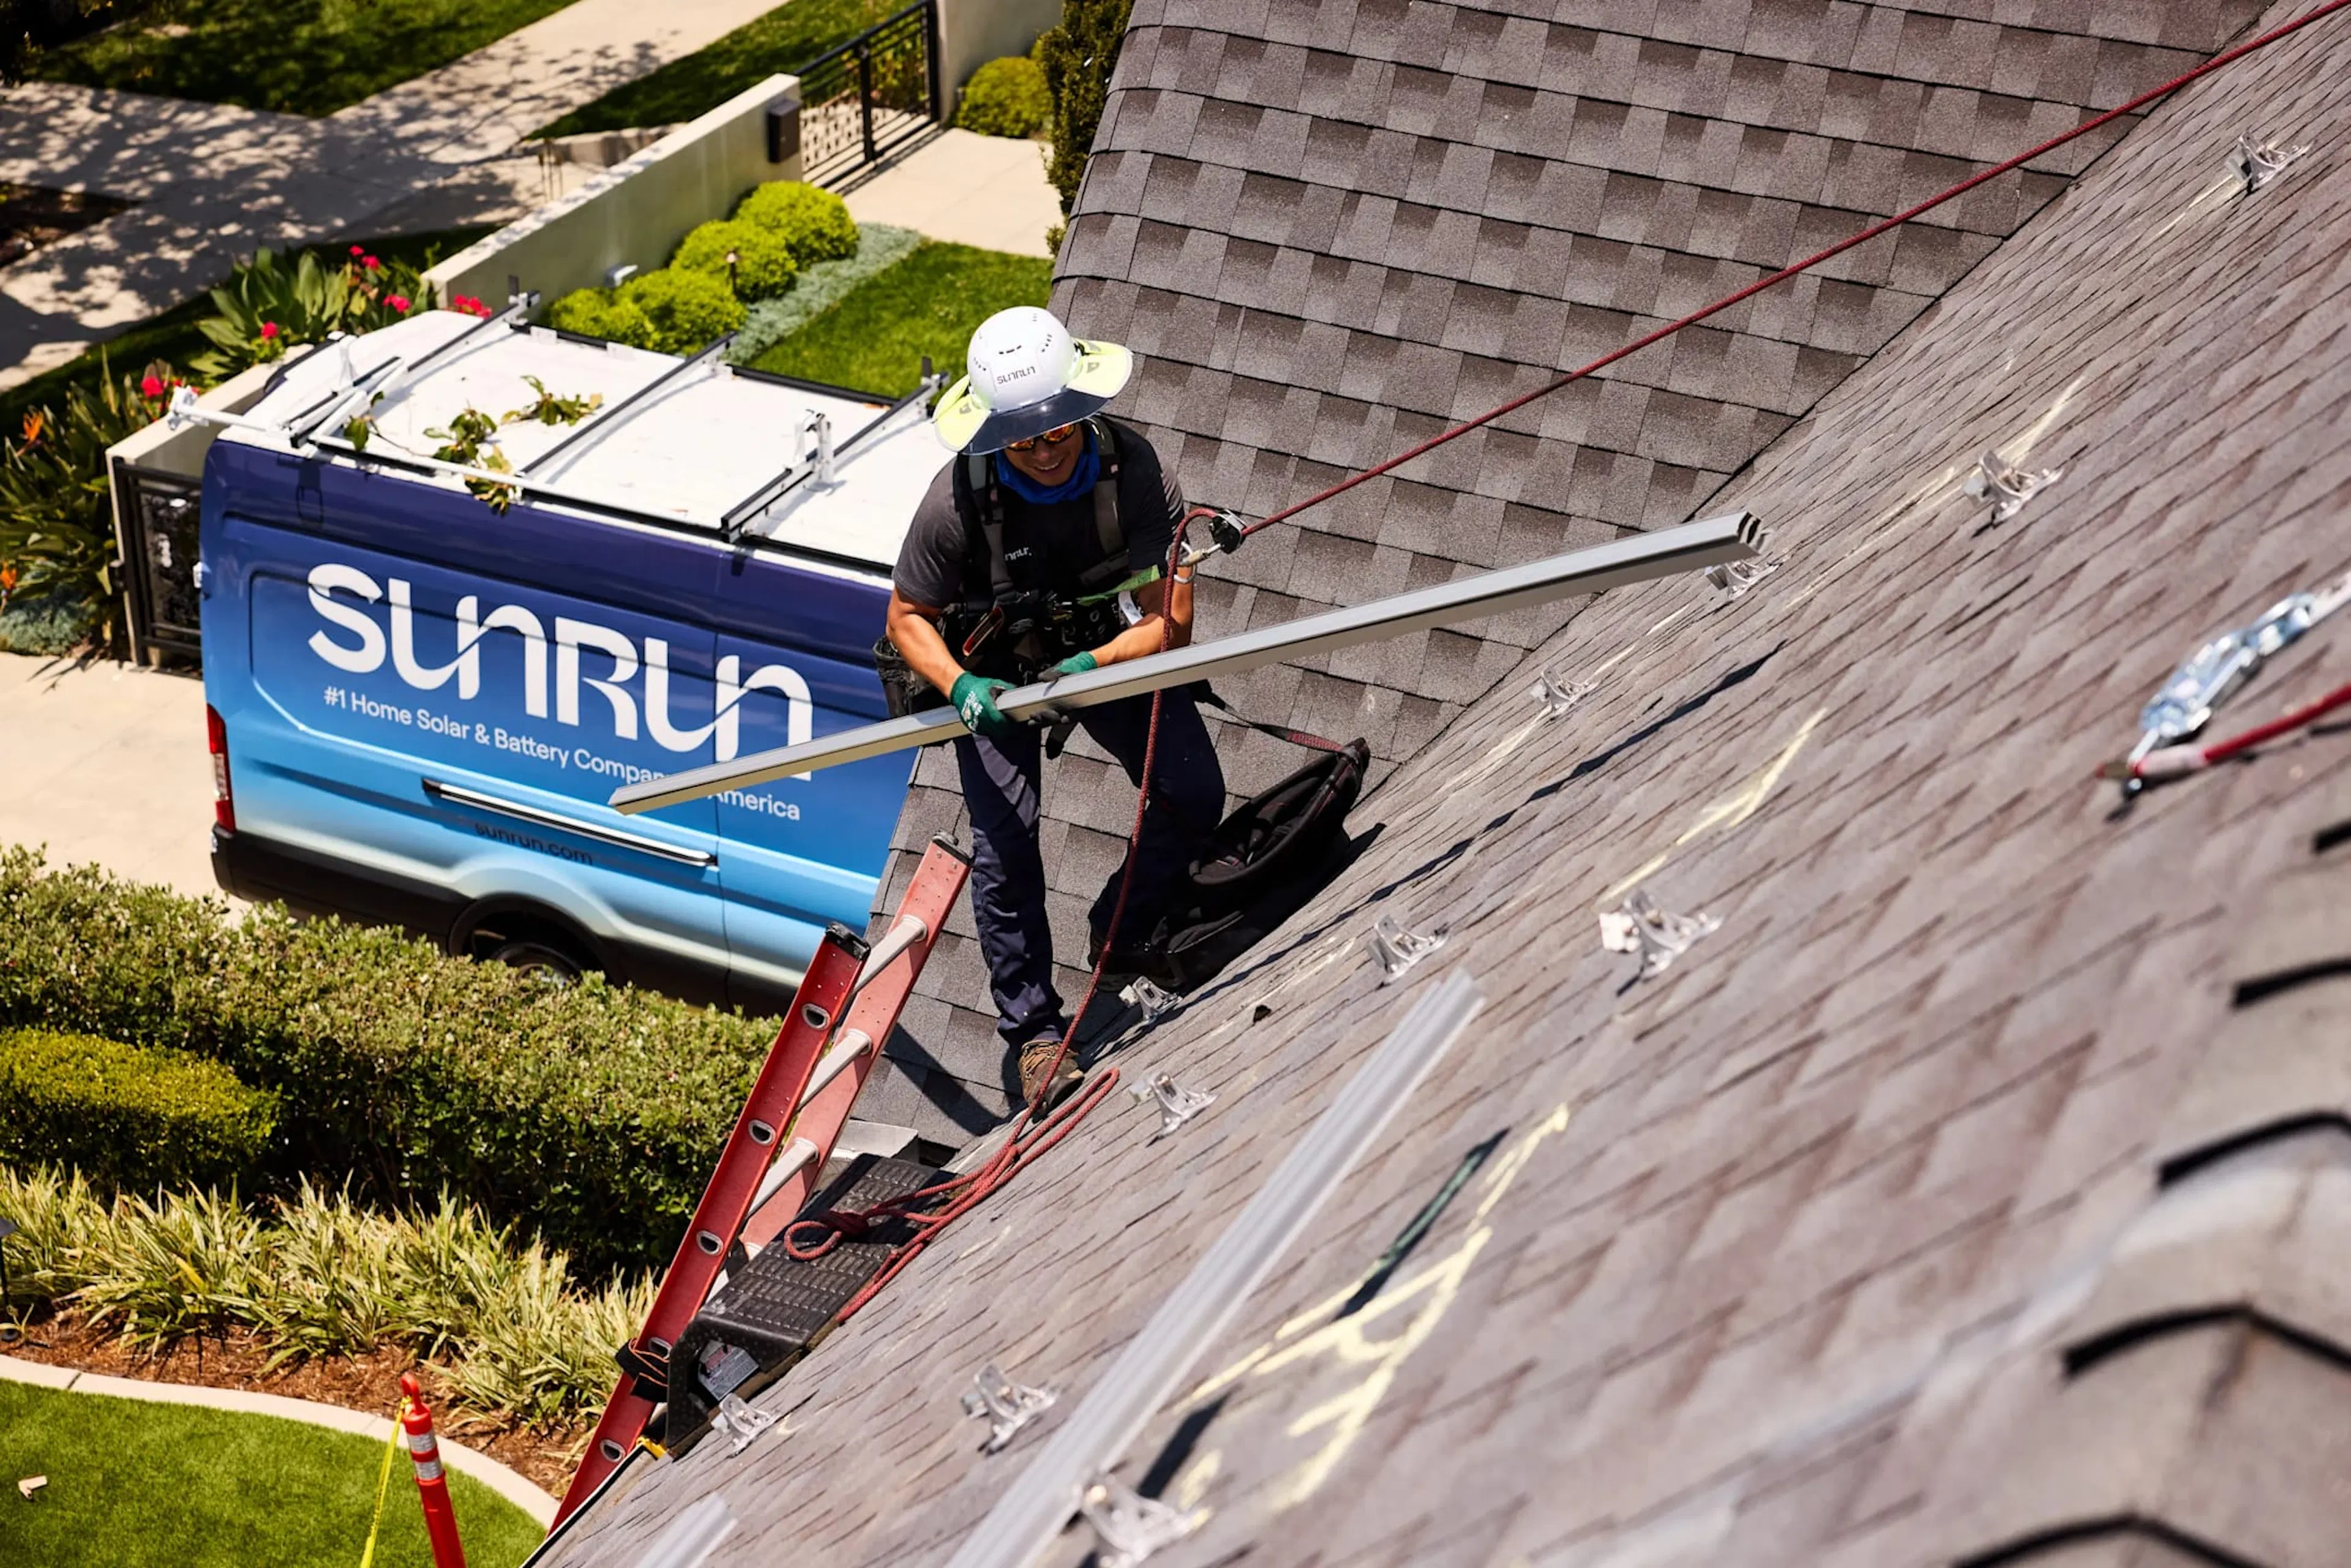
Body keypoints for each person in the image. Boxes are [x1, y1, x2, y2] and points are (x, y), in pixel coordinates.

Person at [884, 307, 1226, 1109]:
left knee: (1194, 791)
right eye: (1022, 439)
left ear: (1084, 408)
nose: (1041, 451)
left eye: (1057, 433)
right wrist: (964, 689)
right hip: (991, 668)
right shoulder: (954, 504)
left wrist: (1089, 666)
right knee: (1007, 846)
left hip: (1094, 647)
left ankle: (1123, 925)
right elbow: (906, 619)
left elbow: (1171, 623)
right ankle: (1036, 1038)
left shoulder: (1135, 473)